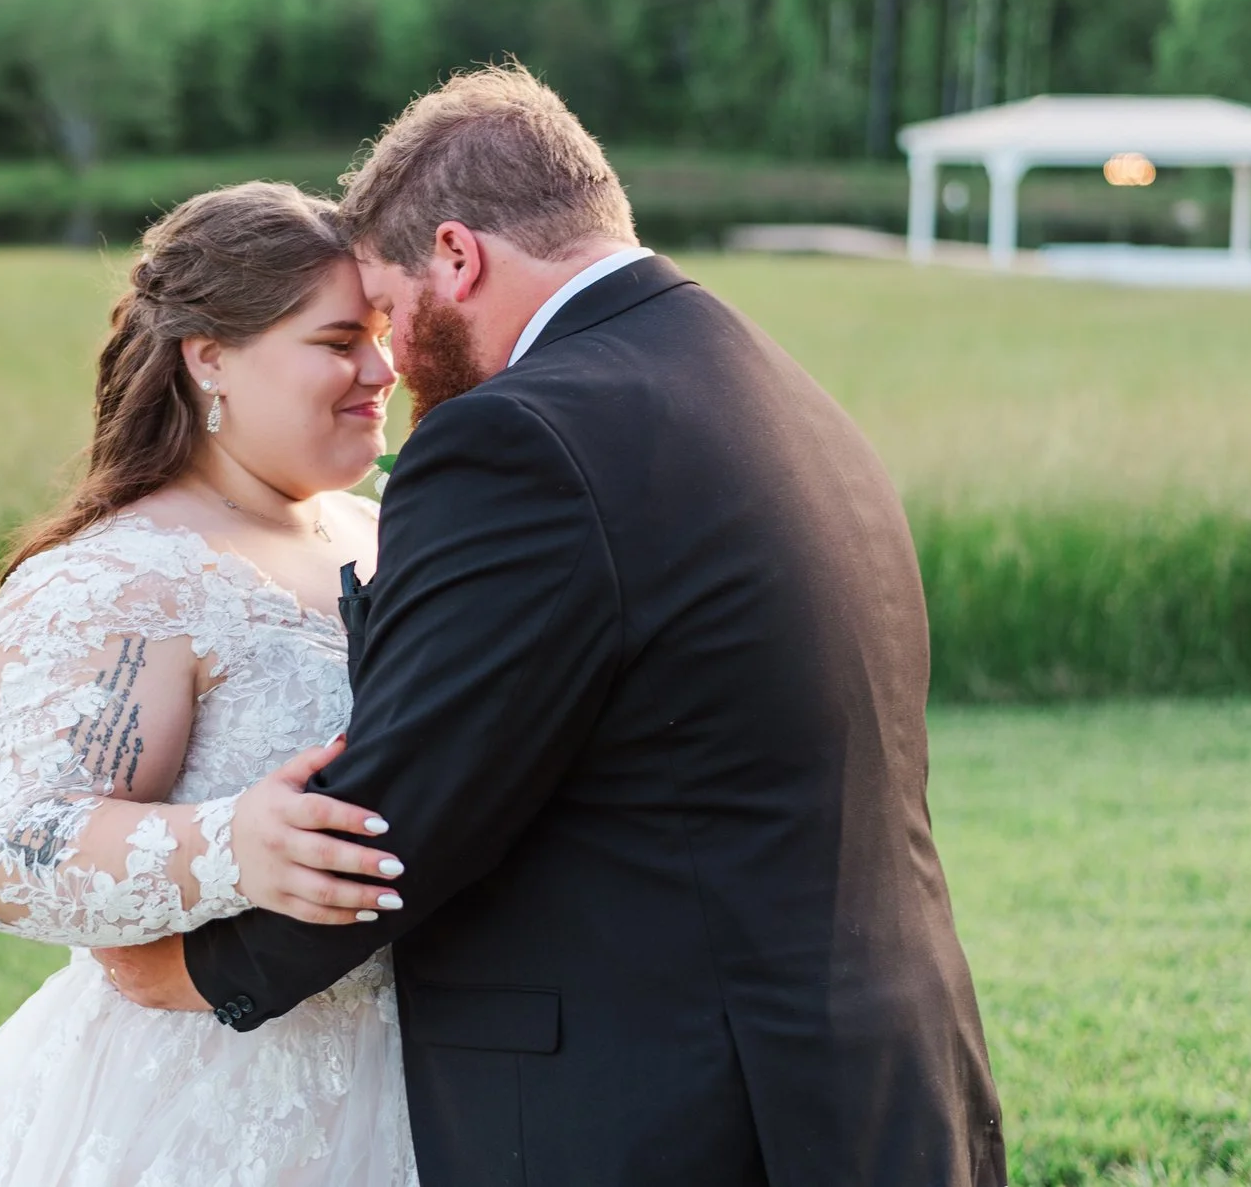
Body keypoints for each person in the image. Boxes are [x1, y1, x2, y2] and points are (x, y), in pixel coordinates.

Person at [103, 65, 1008, 1186]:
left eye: (388, 307)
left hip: (677, 1105)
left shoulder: (519, 441)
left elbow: (404, 811)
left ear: (455, 256)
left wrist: (196, 968)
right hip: (875, 1067)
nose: (388, 362)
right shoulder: (766, 383)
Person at [0, 181, 422, 1186]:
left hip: (418, 1082)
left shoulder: (378, 529)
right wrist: (231, 846)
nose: (379, 369)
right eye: (336, 341)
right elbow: (12, 851)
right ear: (210, 356)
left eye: (381, 334)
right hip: (199, 1096)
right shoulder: (119, 578)